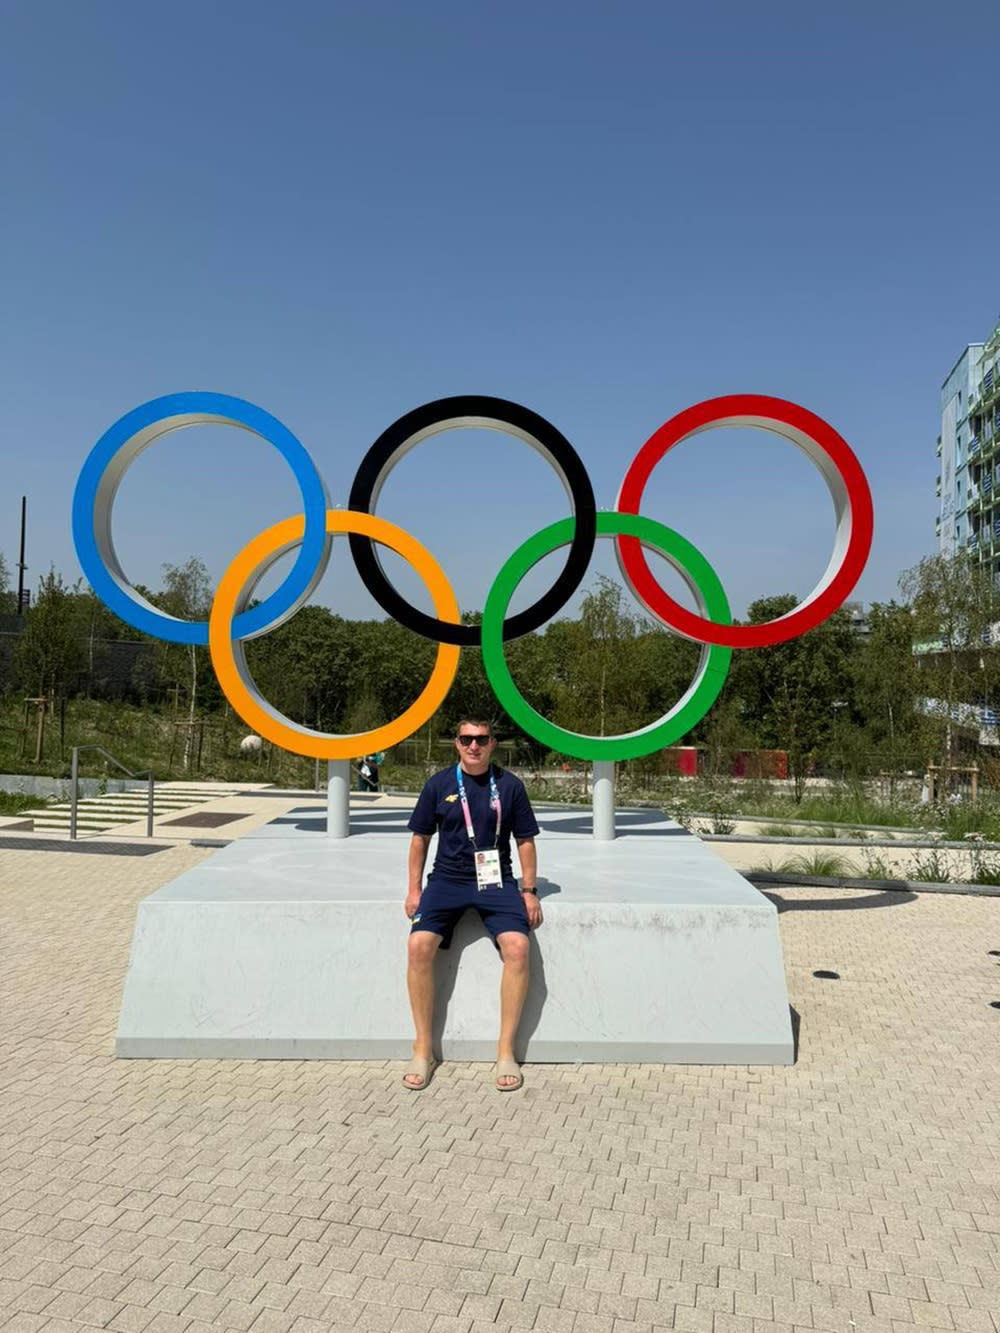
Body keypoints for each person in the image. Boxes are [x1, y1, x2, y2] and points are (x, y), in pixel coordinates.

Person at [403, 719, 542, 1092]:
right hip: (446, 880)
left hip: (495, 881)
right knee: (418, 945)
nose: (474, 746)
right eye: (467, 738)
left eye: (481, 739)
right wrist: (414, 890)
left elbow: (525, 841)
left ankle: (505, 1052)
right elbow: (420, 840)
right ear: (457, 743)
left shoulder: (510, 785)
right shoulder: (439, 784)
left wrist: (529, 890)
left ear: (492, 743)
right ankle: (422, 1049)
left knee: (518, 946)